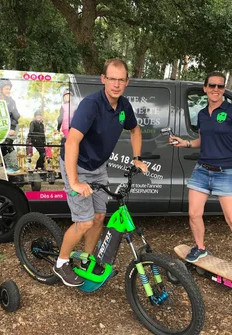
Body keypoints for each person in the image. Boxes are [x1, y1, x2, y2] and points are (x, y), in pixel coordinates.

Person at [170, 71, 232, 287]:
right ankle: (200, 247)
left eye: (220, 86)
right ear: (205, 88)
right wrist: (186, 143)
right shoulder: (201, 114)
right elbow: (202, 140)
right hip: (202, 170)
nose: (216, 89)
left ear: (223, 90)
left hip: (225, 172)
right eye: (212, 85)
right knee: (194, 214)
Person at [53, 58, 148, 287]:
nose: (116, 84)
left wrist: (136, 158)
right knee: (84, 221)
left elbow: (135, 130)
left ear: (127, 82)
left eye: (121, 80)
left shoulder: (124, 106)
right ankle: (61, 263)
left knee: (98, 217)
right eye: (112, 79)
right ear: (103, 79)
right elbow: (72, 142)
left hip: (98, 167)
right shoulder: (91, 105)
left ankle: (86, 258)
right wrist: (74, 181)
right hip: (76, 166)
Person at [0, 79, 21, 173]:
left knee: (8, 143)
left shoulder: (11, 101)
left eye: (9, 89)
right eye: (6, 89)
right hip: (3, 127)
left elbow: (16, 116)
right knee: (2, 145)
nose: (8, 91)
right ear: (0, 89)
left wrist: (12, 128)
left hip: (13, 126)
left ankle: (14, 167)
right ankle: (7, 166)